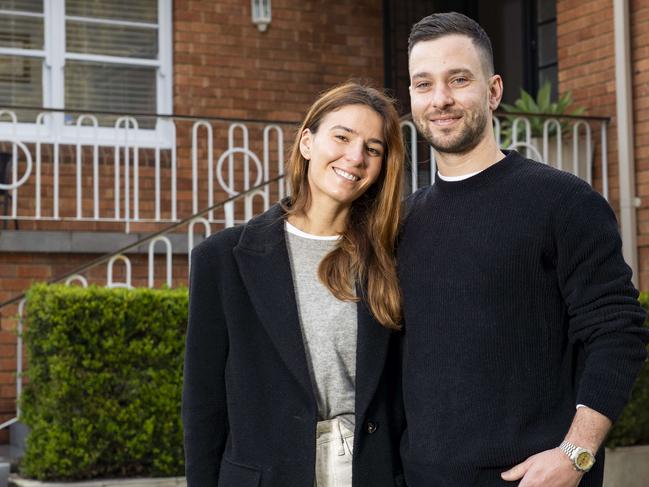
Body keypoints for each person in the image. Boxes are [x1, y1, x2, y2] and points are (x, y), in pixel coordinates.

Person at [398, 11, 649, 487]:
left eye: (458, 79)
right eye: (423, 84)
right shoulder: (403, 221)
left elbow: (619, 332)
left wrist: (575, 454)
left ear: (493, 91)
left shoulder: (563, 202)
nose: (441, 99)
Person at [182, 82, 406, 487]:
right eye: (342, 137)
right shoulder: (222, 259)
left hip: (370, 470)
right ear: (307, 141)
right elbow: (203, 405)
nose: (355, 157)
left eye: (373, 149)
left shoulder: (393, 258)